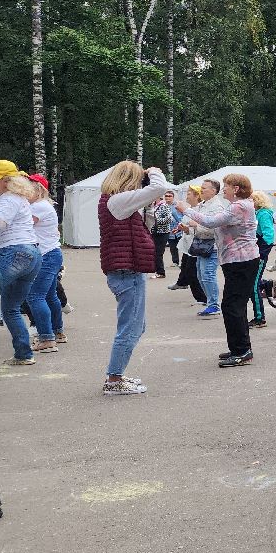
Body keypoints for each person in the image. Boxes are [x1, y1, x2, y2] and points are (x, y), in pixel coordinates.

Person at [97, 160, 169, 395]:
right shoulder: (118, 201)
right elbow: (159, 188)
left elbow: (146, 226)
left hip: (126, 270)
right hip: (126, 271)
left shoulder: (115, 201)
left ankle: (116, 375)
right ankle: (114, 379)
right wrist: (155, 172)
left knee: (137, 326)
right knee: (130, 328)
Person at [184, 174, 260, 367]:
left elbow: (210, 222)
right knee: (234, 305)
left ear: (236, 189)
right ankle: (240, 348)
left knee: (232, 306)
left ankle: (241, 351)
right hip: (238, 261)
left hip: (241, 261)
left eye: (226, 186)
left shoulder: (239, 206)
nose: (223, 189)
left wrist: (185, 210)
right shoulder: (238, 205)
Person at [0, 161, 42, 367]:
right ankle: (23, 354)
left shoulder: (9, 200)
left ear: (5, 180)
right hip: (30, 255)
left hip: (14, 252)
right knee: (10, 308)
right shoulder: (17, 198)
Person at [24, 176, 64, 353]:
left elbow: (22, 225)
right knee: (49, 296)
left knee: (35, 297)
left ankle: (46, 338)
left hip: (46, 256)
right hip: (52, 254)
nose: (23, 192)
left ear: (38, 189)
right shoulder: (44, 205)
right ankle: (57, 332)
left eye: (27, 188)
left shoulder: (38, 207)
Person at [184, 178, 224, 316]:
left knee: (208, 275)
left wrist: (196, 225)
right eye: (202, 187)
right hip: (201, 245)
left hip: (211, 246)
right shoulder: (203, 204)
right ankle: (210, 303)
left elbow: (215, 227)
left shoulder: (217, 207)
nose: (201, 189)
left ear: (214, 191)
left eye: (205, 188)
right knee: (201, 276)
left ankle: (214, 305)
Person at [249, 191, 276, 328]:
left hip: (260, 253)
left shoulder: (264, 213)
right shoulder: (258, 213)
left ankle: (260, 318)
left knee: (253, 285)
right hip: (255, 251)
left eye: (251, 200)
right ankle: (266, 284)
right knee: (253, 283)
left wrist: (262, 253)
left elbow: (269, 235)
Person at [146, 189, 182, 278]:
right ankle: (157, 270)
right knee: (154, 252)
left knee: (158, 252)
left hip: (163, 232)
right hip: (155, 232)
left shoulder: (164, 205)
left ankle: (161, 272)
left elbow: (169, 219)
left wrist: (156, 220)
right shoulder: (153, 206)